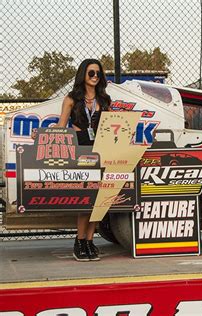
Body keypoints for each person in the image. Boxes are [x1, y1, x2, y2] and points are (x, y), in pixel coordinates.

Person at [57, 59, 111, 261]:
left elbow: (112, 125)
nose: (95, 77)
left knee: (97, 200)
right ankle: (79, 241)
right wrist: (42, 134)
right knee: (85, 200)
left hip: (101, 150)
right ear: (83, 75)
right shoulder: (72, 99)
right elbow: (62, 124)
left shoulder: (104, 100)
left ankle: (89, 241)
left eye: (98, 73)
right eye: (91, 73)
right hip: (81, 150)